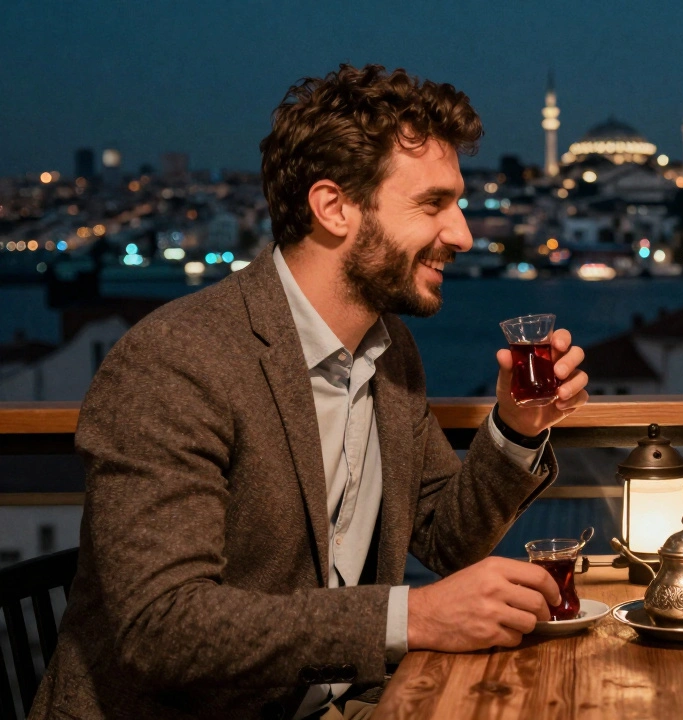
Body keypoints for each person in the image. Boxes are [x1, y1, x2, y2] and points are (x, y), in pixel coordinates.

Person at [30, 64, 590, 720]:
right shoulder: (176, 363)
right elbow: (165, 627)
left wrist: (518, 426)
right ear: (333, 208)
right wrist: (409, 617)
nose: (464, 234)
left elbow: (446, 536)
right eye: (434, 204)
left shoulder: (388, 350)